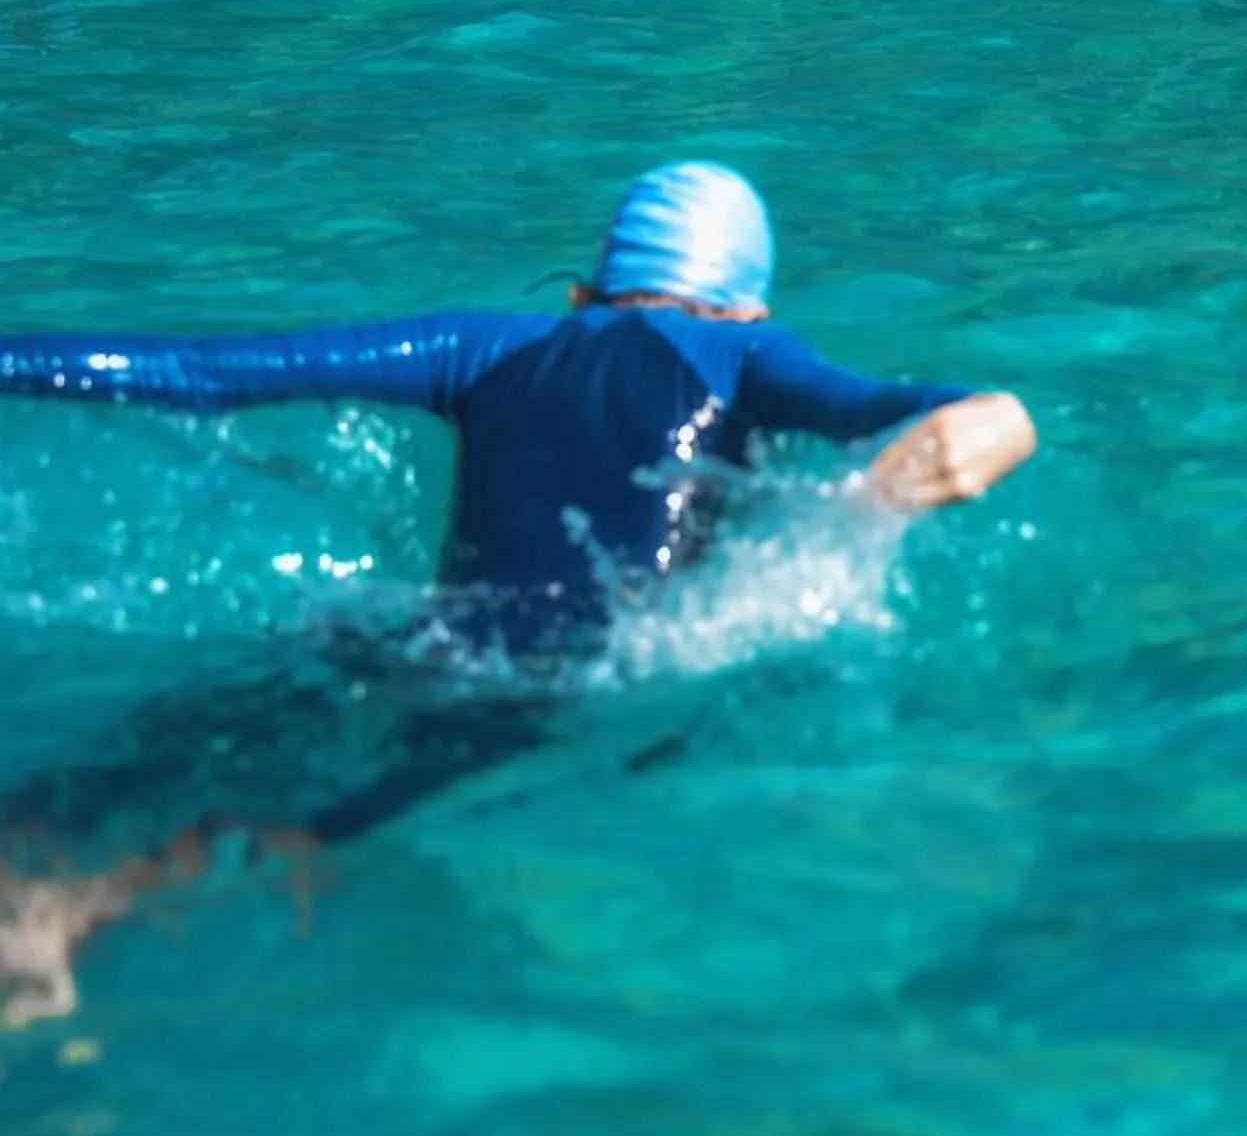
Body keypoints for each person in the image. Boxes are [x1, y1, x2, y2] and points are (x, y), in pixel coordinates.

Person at [0, 161, 1036, 1021]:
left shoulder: (485, 346)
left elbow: (201, 370)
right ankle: (74, 916)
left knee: (174, 742)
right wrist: (998, 417)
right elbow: (907, 407)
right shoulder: (748, 353)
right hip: (559, 681)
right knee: (323, 824)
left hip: (402, 638)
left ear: (583, 295)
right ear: (748, 306)